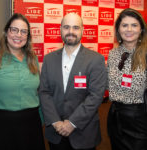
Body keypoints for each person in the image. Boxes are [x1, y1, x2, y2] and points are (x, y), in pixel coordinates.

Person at [39, 13, 107, 150]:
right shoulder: (49, 59)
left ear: (82, 30)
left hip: (84, 133)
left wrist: (72, 123)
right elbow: (44, 92)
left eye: (75, 27)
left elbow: (96, 96)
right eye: (66, 27)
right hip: (55, 132)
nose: (71, 32)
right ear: (60, 29)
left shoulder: (96, 59)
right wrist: (55, 121)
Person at [0, 13, 45, 150]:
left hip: (32, 123)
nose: (19, 35)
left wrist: (40, 119)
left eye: (24, 31)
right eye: (14, 30)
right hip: (3, 126)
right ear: (6, 32)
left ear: (28, 37)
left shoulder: (32, 59)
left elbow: (37, 92)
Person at [107, 8, 147, 150]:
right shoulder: (113, 54)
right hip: (115, 117)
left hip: (139, 121)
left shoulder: (145, 54)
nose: (129, 29)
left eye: (134, 25)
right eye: (124, 25)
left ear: (141, 29)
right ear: (118, 30)